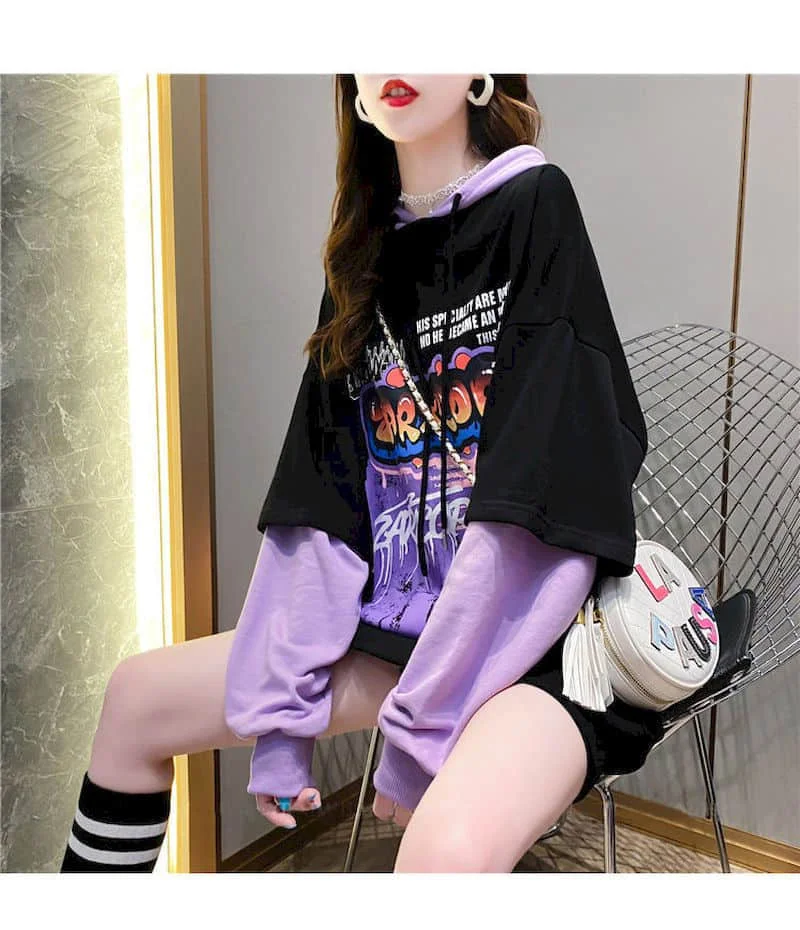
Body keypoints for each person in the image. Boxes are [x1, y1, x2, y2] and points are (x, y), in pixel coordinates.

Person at [60, 74, 664, 874]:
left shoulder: (535, 204)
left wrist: (420, 736)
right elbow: (321, 499)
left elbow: (537, 504)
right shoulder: (365, 250)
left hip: (536, 639)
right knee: (136, 699)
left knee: (440, 855)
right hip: (402, 635)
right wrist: (282, 718)